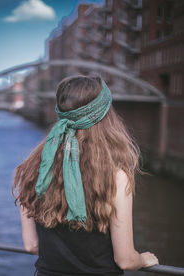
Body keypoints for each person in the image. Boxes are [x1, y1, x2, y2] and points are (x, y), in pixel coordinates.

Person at [13, 75, 159, 276]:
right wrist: (143, 258)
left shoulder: (32, 168)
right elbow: (125, 260)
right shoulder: (116, 176)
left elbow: (31, 245)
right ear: (105, 117)